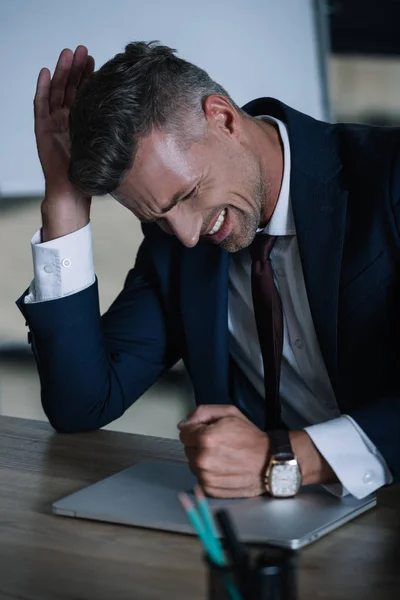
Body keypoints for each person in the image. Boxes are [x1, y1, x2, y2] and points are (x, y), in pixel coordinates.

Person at [17, 42, 399, 501]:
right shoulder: (175, 245)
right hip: (267, 536)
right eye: (157, 217)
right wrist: (63, 199)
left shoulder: (388, 177)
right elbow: (80, 404)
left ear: (223, 118)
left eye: (185, 194)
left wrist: (284, 457)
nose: (186, 236)